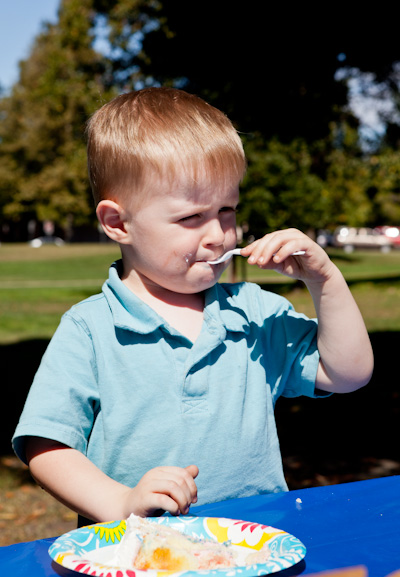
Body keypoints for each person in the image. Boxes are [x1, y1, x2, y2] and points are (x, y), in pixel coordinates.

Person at [12, 88, 373, 525]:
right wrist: (121, 504)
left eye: (227, 210)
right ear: (118, 223)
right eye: (191, 218)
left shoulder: (254, 313)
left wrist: (326, 281)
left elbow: (347, 374)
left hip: (254, 545)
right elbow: (47, 445)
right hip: (138, 559)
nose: (218, 235)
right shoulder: (91, 328)